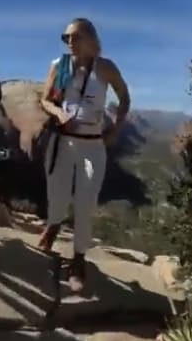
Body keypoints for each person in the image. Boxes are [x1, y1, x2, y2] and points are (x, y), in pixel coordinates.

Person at [37, 17, 130, 292]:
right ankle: (53, 226)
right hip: (62, 141)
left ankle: (78, 260)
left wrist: (116, 127)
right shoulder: (59, 65)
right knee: (57, 194)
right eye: (66, 37)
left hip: (92, 144)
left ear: (91, 39)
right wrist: (58, 112)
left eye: (75, 37)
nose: (70, 42)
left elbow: (124, 97)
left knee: (85, 203)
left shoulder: (105, 68)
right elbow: (44, 99)